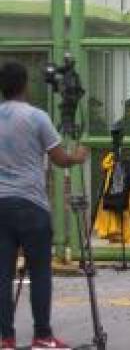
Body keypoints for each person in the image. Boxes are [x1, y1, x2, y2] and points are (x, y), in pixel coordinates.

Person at [0, 61, 89, 350]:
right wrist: (78, 156)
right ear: (25, 84)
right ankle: (42, 335)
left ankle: (6, 338)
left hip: (1, 205)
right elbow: (60, 158)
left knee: (3, 274)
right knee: (40, 272)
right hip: (31, 204)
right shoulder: (37, 117)